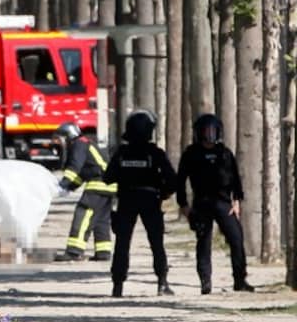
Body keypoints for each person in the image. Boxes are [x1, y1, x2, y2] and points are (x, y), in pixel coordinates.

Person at [177, 114, 254, 294]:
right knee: (203, 242)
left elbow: (235, 178)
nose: (209, 136)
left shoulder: (225, 153)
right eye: (206, 132)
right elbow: (180, 181)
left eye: (213, 131)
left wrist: (236, 201)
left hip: (223, 203)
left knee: (236, 238)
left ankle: (240, 279)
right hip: (201, 203)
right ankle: (205, 281)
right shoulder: (191, 154)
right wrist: (184, 206)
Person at [103, 110, 177, 297]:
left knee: (122, 243)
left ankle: (117, 285)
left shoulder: (122, 153)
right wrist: (164, 192)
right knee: (156, 243)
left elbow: (108, 178)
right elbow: (172, 180)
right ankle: (162, 282)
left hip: (127, 200)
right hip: (150, 200)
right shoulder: (155, 153)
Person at [53, 122, 116, 262]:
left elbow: (75, 167)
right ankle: (103, 252)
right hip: (109, 185)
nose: (60, 143)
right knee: (100, 220)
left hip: (98, 184)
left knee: (83, 214)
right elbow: (84, 173)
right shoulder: (87, 142)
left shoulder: (79, 144)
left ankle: (74, 252)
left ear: (68, 136)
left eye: (60, 139)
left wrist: (63, 184)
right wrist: (70, 187)